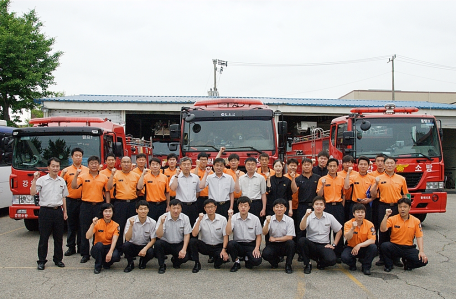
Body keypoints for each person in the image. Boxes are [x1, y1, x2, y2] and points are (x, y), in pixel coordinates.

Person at [31, 157, 69, 270]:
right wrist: (34, 180)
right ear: (48, 167)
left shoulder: (61, 181)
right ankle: (41, 261)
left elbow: (64, 197)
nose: (55, 168)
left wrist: (65, 211)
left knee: (58, 238)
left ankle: (58, 259)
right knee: (44, 237)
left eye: (57, 166)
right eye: (53, 166)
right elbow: (33, 192)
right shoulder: (41, 180)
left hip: (58, 211)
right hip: (45, 211)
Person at [371, 156, 408, 267]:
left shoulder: (401, 179)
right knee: (383, 232)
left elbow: (405, 195)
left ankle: (396, 258)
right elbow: (373, 194)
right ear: (384, 165)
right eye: (387, 163)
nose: (389, 165)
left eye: (391, 163)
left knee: (396, 233)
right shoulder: (379, 178)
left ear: (395, 165)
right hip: (383, 206)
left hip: (396, 207)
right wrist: (376, 184)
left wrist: (405, 209)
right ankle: (382, 258)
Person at [72, 156, 110, 263]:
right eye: (92, 163)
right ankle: (85, 254)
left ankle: (96, 251)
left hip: (99, 206)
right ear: (88, 165)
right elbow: (74, 186)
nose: (94, 165)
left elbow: (107, 191)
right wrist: (75, 175)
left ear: (99, 165)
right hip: (86, 205)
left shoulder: (103, 177)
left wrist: (107, 206)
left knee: (98, 230)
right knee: (85, 229)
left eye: (96, 163)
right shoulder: (83, 176)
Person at [380, 198, 428, 272]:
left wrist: (421, 251)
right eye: (400, 207)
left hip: (408, 247)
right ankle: (388, 265)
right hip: (395, 246)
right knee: (384, 246)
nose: (402, 209)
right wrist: (386, 216)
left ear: (409, 208)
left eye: (405, 207)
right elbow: (382, 229)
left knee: (423, 261)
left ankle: (408, 264)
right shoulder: (392, 219)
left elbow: (419, 236)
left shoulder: (416, 221)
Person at [297, 196, 342, 274]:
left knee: (332, 260)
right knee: (302, 241)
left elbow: (339, 231)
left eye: (321, 204)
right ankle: (307, 264)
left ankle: (320, 263)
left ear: (324, 206)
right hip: (311, 244)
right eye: (316, 204)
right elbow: (302, 228)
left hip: (324, 245)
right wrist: (306, 216)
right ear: (313, 206)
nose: (318, 206)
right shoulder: (308, 216)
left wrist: (334, 244)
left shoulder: (329, 217)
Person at [316, 158, 348, 260]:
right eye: (330, 166)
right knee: (326, 230)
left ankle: (338, 253)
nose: (332, 168)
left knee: (338, 229)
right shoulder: (322, 179)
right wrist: (323, 186)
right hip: (327, 206)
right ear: (327, 167)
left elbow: (343, 195)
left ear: (338, 167)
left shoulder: (341, 179)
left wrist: (341, 206)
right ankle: (326, 252)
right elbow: (319, 195)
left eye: (334, 166)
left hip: (338, 206)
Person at [107, 156, 141, 252]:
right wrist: (112, 175)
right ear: (120, 164)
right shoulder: (116, 174)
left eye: (128, 162)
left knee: (132, 226)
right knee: (119, 226)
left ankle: (130, 249)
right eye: (124, 162)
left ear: (131, 164)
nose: (126, 164)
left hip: (132, 203)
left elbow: (139, 190)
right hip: (120, 204)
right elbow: (109, 187)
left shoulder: (136, 175)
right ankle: (118, 248)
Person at [60, 148, 88, 257]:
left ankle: (81, 247)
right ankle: (71, 247)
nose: (78, 157)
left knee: (82, 225)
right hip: (71, 200)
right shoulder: (66, 170)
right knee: (71, 225)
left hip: (83, 201)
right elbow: (61, 186)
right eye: (76, 155)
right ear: (72, 157)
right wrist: (62, 174)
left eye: (80, 155)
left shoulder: (86, 170)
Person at [189, 199, 230, 273]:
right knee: (193, 241)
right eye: (208, 207)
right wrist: (199, 221)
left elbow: (225, 236)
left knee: (217, 265)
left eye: (212, 207)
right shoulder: (200, 219)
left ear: (215, 207)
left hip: (218, 246)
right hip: (206, 246)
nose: (210, 209)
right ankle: (197, 263)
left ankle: (217, 258)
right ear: (204, 209)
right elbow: (194, 234)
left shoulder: (222, 219)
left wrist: (224, 250)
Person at [154, 199, 192, 274]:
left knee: (185, 257)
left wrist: (184, 249)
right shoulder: (163, 217)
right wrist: (161, 223)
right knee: (158, 244)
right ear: (169, 208)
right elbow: (159, 235)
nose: (176, 211)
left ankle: (175, 261)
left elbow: (187, 234)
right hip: (166, 243)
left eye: (178, 208)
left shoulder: (185, 218)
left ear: (181, 209)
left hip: (178, 244)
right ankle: (162, 265)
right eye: (173, 208)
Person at [226, 196, 262, 272]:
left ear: (249, 207)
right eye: (241, 206)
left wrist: (257, 248)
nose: (243, 208)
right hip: (239, 244)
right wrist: (229, 218)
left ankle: (247, 258)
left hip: (250, 244)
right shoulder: (233, 217)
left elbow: (258, 236)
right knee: (230, 244)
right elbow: (228, 232)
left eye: (245, 206)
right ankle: (236, 262)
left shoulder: (255, 219)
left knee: (257, 261)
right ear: (238, 207)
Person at [341, 203, 377, 275]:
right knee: (344, 257)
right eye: (358, 212)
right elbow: (347, 237)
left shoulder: (370, 224)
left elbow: (372, 240)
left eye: (362, 212)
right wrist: (352, 228)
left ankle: (366, 267)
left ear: (365, 213)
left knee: (373, 247)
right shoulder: (348, 224)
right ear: (354, 214)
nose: (360, 214)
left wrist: (359, 245)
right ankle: (352, 264)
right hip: (351, 247)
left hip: (363, 247)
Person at [262, 198, 295, 274]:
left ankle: (288, 265)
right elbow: (264, 232)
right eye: (277, 207)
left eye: (281, 206)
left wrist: (276, 239)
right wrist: (267, 223)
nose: (279, 209)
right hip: (273, 244)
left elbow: (290, 237)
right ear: (273, 209)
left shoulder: (290, 220)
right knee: (265, 254)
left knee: (291, 244)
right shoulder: (269, 219)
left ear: (285, 209)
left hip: (284, 243)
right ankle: (275, 262)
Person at [86, 203, 121, 274]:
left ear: (113, 213)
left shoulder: (116, 225)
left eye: (110, 211)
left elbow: (114, 240)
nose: (108, 213)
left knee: (116, 256)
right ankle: (98, 266)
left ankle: (106, 263)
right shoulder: (97, 223)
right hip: (98, 247)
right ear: (102, 212)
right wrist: (93, 224)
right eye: (105, 211)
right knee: (99, 245)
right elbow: (88, 236)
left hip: (109, 247)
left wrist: (110, 252)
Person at [122, 200, 156, 272]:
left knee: (151, 252)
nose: (143, 211)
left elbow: (153, 239)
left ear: (148, 210)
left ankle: (143, 262)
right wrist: (131, 225)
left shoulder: (152, 222)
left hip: (144, 245)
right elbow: (127, 238)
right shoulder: (130, 220)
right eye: (141, 209)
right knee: (125, 246)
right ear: (136, 210)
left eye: (145, 209)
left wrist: (145, 249)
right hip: (133, 245)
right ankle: (130, 263)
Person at [170, 157, 202, 226]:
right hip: (181, 206)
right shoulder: (175, 177)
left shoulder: (195, 177)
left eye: (188, 164)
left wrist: (191, 199)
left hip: (193, 206)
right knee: (181, 225)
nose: (186, 166)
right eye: (184, 164)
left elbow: (198, 191)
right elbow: (173, 188)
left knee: (193, 224)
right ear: (180, 166)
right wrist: (176, 176)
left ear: (191, 165)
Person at [345, 156, 375, 222]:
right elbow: (346, 186)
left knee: (367, 224)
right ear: (358, 165)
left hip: (366, 205)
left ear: (368, 166)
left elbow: (374, 195)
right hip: (355, 204)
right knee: (354, 225)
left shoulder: (372, 178)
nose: (363, 166)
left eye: (365, 164)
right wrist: (348, 173)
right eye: (361, 164)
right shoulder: (353, 177)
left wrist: (369, 200)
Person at [338, 155, 359, 222]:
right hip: (342, 201)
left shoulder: (357, 174)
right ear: (342, 164)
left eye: (349, 162)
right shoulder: (338, 174)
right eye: (345, 162)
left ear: (353, 164)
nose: (347, 164)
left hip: (353, 202)